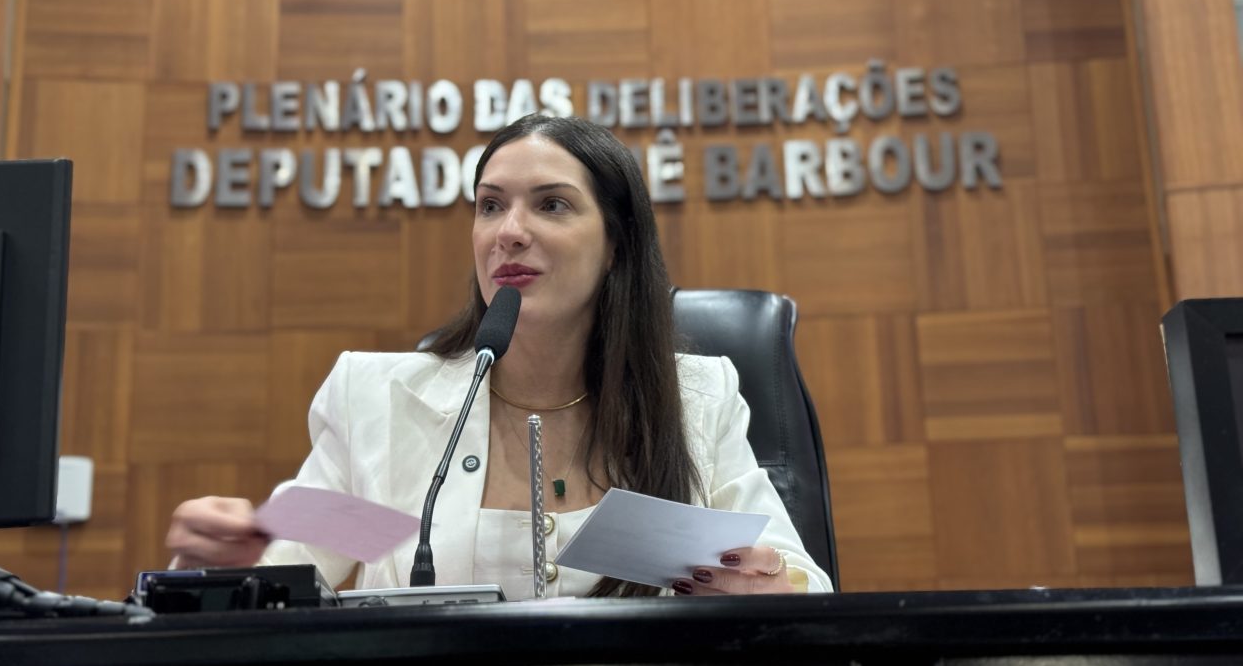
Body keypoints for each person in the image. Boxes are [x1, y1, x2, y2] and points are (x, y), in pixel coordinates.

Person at [166, 114, 832, 597]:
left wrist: (766, 588)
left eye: (551, 205)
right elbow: (281, 575)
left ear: (616, 245)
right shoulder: (383, 405)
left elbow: (802, 587)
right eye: (490, 206)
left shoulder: (696, 400)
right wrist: (226, 563)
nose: (508, 233)